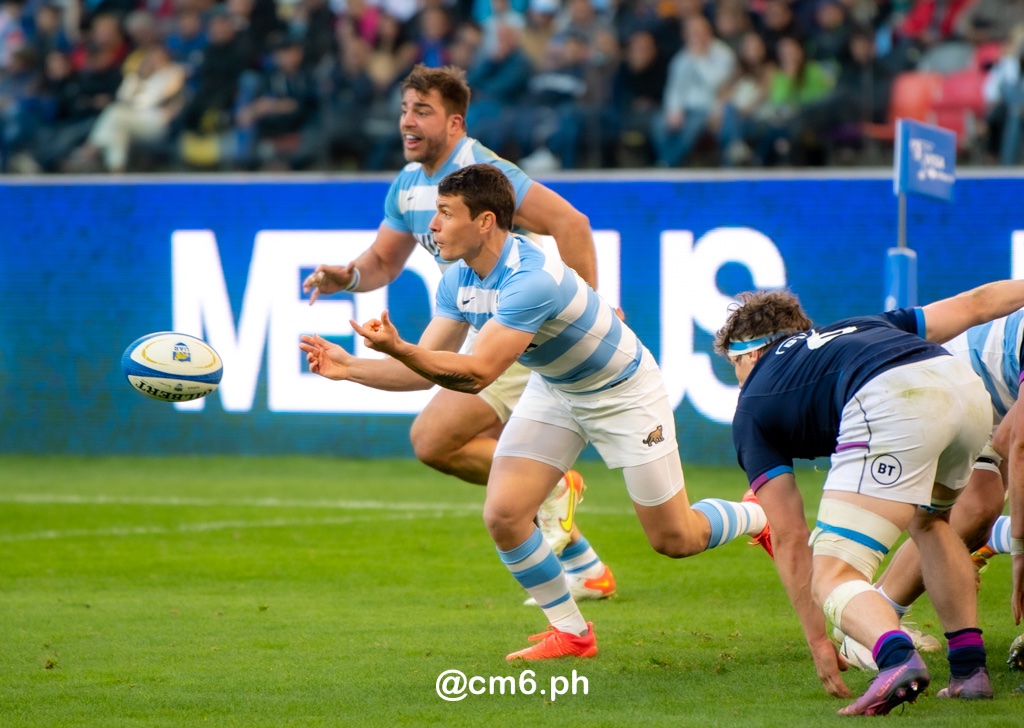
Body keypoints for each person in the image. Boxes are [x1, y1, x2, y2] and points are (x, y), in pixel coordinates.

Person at [300, 163, 770, 659]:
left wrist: (399, 348)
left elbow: (477, 372)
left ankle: (757, 516)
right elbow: (424, 371)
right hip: (557, 390)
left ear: (485, 222)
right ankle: (572, 633)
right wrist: (351, 367)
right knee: (505, 515)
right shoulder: (458, 279)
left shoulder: (531, 279)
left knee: (675, 539)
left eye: (444, 213)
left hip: (624, 393)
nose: (431, 226)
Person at [302, 64, 615, 604]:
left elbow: (573, 224)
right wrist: (346, 278)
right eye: (404, 109)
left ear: (454, 122)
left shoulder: (482, 169)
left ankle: (555, 489)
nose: (407, 121)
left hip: (527, 323)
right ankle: (585, 566)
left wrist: (585, 309)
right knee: (434, 440)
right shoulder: (408, 185)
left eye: (422, 111)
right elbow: (382, 260)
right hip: (482, 321)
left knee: (435, 439)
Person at [713, 282, 1024, 713]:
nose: (738, 377)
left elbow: (788, 535)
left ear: (749, 354)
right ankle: (969, 671)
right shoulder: (863, 324)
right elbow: (977, 305)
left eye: (734, 364)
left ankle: (895, 658)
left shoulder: (750, 407)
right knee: (931, 522)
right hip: (965, 388)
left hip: (891, 398)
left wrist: (819, 640)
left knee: (833, 572)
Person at [836, 310, 1024, 671]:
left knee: (972, 516)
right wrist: (1020, 555)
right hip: (948, 389)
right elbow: (1010, 443)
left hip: (985, 399)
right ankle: (871, 627)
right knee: (971, 512)